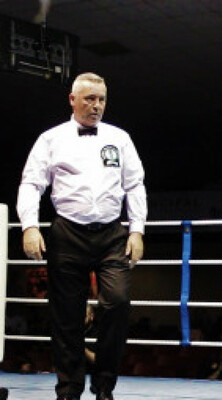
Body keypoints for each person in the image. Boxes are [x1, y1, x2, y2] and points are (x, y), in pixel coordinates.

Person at [17, 72, 147, 400]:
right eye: (89, 99)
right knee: (66, 317)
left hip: (111, 234)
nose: (96, 106)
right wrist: (30, 226)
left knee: (117, 303)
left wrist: (137, 230)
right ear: (73, 100)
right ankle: (69, 390)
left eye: (101, 99)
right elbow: (32, 183)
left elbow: (135, 185)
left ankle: (104, 386)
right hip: (67, 233)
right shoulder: (51, 139)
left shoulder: (120, 138)